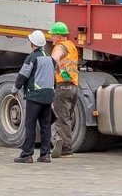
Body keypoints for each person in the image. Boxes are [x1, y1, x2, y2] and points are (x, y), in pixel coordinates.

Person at [13, 29, 56, 164]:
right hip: (48, 97)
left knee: (30, 125)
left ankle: (27, 155)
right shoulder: (50, 59)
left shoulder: (31, 58)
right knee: (45, 126)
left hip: (34, 97)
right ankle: (45, 154)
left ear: (32, 43)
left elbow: (23, 76)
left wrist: (15, 89)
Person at [48, 22, 80, 158]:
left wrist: (55, 70)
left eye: (53, 36)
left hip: (63, 87)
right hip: (73, 87)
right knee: (66, 118)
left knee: (61, 119)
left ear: (59, 37)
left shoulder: (60, 47)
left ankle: (66, 149)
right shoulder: (72, 46)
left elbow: (53, 60)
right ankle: (63, 144)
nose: (52, 39)